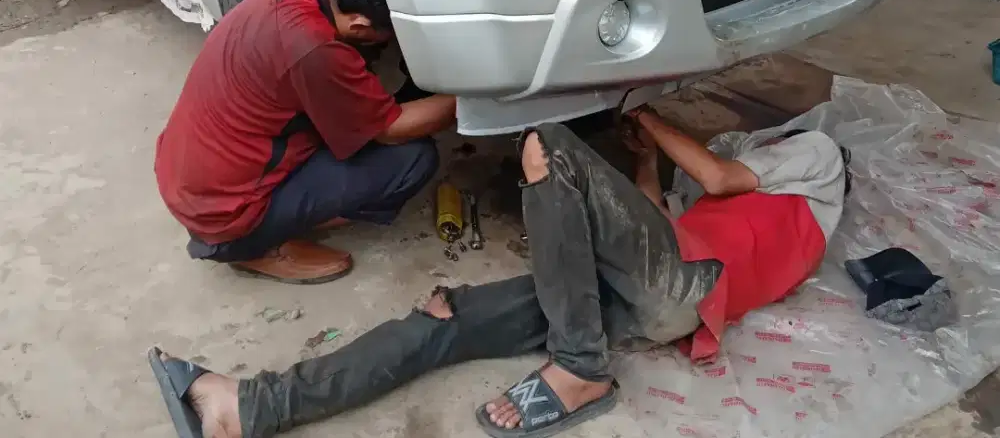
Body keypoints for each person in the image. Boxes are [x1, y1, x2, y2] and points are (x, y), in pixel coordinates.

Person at [150, 106, 850, 438]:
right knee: (440, 320)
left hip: (690, 293)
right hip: (641, 293)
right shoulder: (742, 194)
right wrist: (643, 161)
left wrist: (647, 111)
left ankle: (580, 367)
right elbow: (657, 232)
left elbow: (721, 177)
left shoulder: (817, 155)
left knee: (549, 140)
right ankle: (249, 407)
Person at [154, 0, 456, 285]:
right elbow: (390, 130)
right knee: (412, 158)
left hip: (189, 172)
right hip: (223, 213)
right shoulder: (313, 50)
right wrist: (473, 97)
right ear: (359, 24)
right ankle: (254, 246)